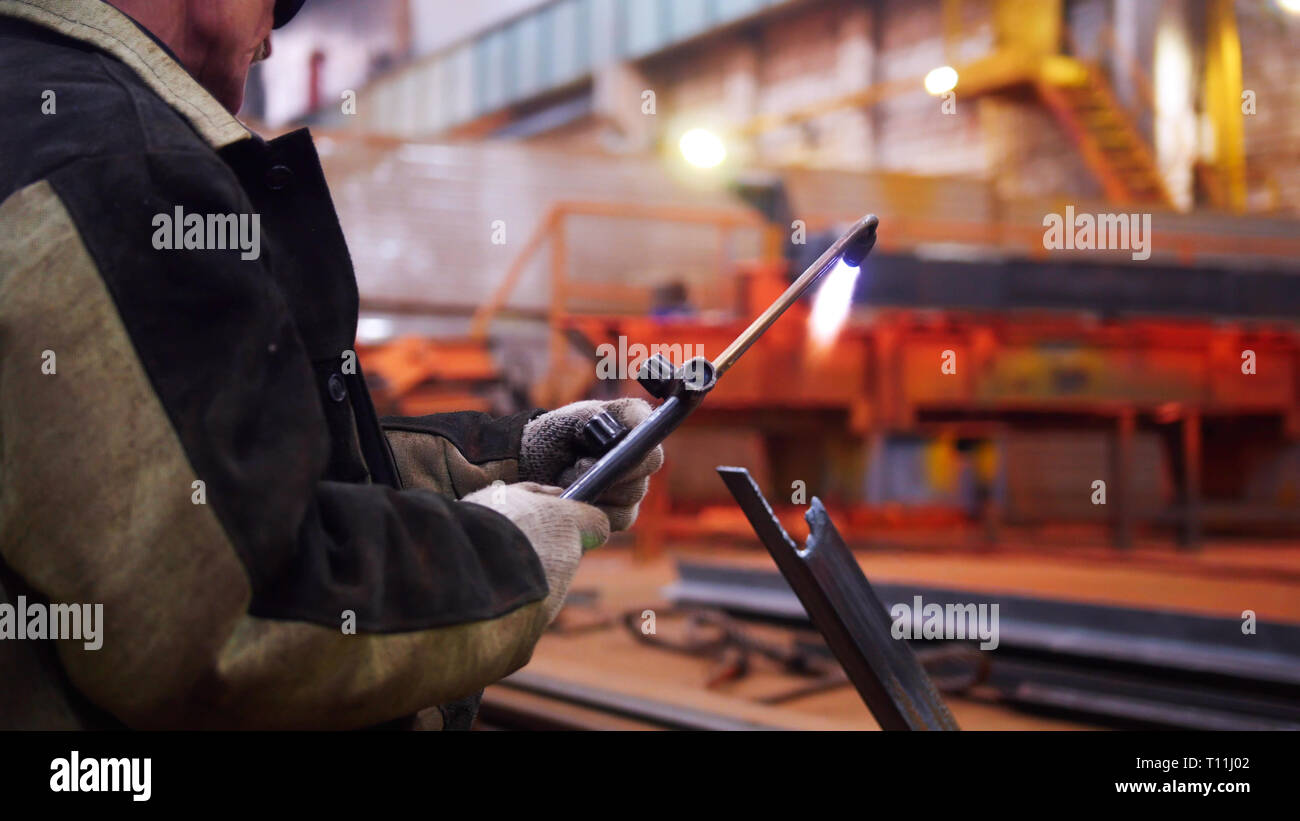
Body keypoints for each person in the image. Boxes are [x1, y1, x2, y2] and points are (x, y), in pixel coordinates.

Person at [0, 0, 661, 730]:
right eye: (274, 5)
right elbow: (232, 613)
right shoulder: (115, 163)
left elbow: (233, 479)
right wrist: (507, 554)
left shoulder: (38, 118)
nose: (271, 43)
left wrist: (517, 458)